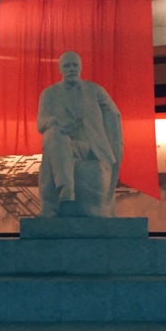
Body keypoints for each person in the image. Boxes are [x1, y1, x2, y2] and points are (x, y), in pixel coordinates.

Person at [37, 51, 123, 217]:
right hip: (65, 143)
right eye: (67, 66)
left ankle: (55, 203)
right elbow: (41, 124)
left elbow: (114, 114)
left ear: (80, 67)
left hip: (91, 146)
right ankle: (66, 189)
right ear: (60, 69)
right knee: (52, 136)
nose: (71, 69)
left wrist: (115, 146)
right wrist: (56, 122)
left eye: (75, 65)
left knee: (52, 148)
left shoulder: (95, 90)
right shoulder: (49, 94)